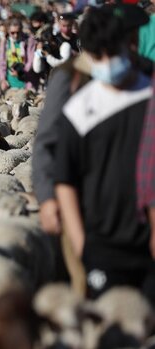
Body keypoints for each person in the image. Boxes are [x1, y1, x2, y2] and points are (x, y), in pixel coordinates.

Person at [54, 6, 155, 301]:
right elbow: (66, 180)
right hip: (103, 243)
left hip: (148, 241)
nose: (109, 63)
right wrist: (81, 243)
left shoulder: (149, 95)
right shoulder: (78, 110)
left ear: (128, 44)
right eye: (99, 56)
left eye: (113, 52)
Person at [0, 19, 30, 90]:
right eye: (12, 32)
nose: (16, 35)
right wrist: (2, 79)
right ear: (8, 31)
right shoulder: (5, 43)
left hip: (25, 83)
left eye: (18, 32)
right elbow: (2, 62)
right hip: (10, 83)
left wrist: (21, 72)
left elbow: (30, 62)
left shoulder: (26, 42)